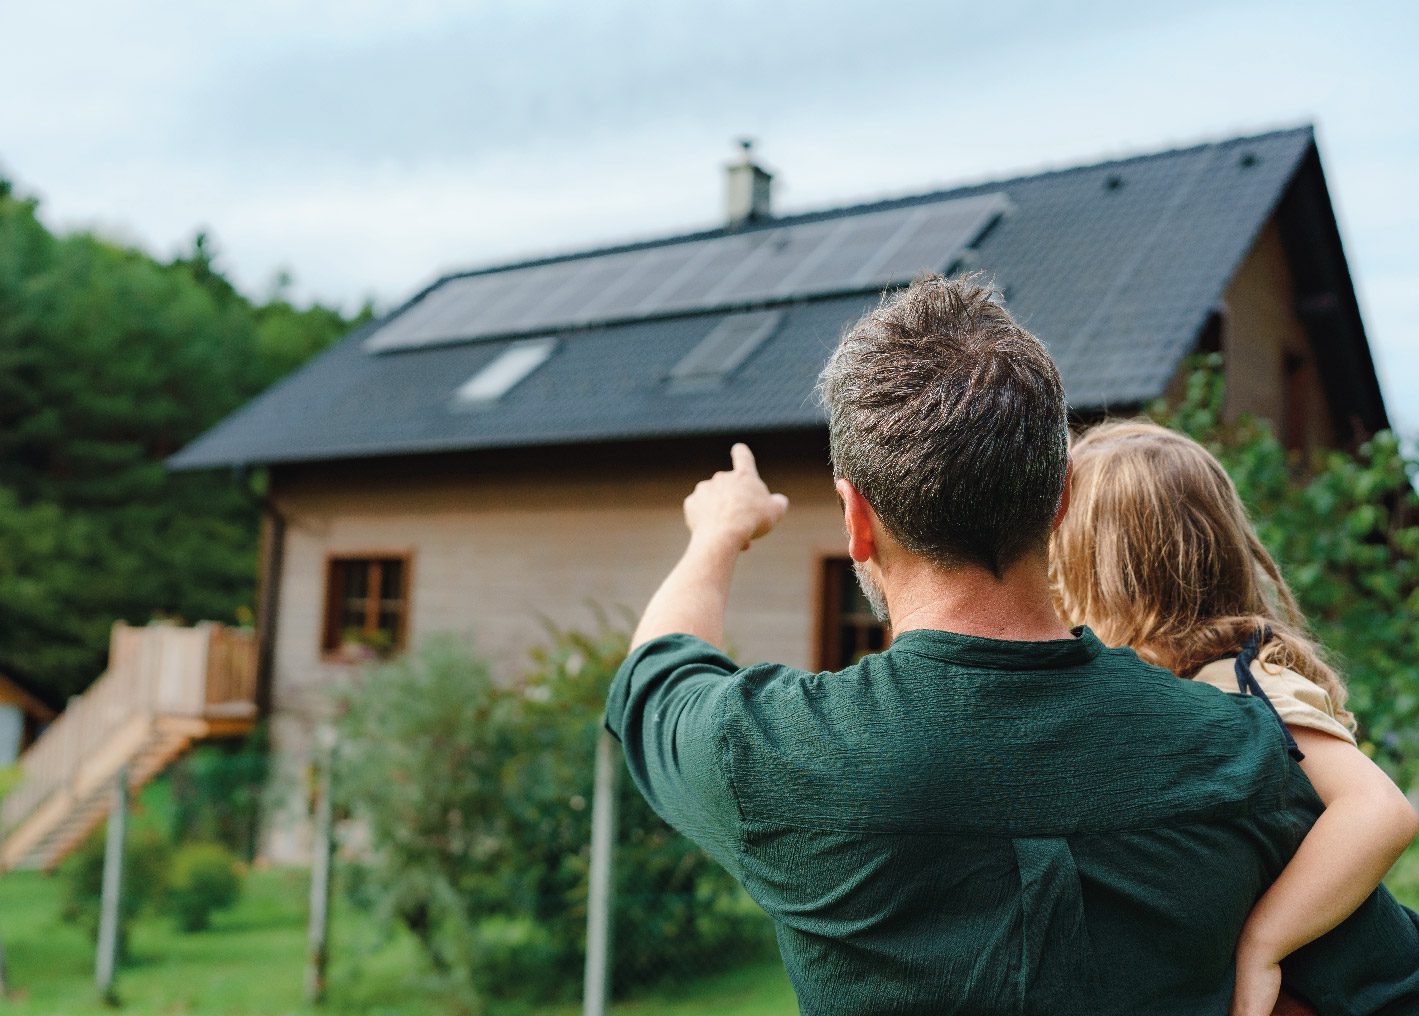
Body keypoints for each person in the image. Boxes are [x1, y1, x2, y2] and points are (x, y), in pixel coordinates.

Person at [604, 274, 1419, 1015]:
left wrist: (719, 532)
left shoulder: (772, 752)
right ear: (1057, 500)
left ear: (856, 519)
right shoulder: (1239, 752)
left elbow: (655, 671)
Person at [1049, 419, 1419, 1016]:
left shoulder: (1244, 682)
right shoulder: (1182, 686)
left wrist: (1263, 944)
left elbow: (1379, 811)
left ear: (1102, 575)